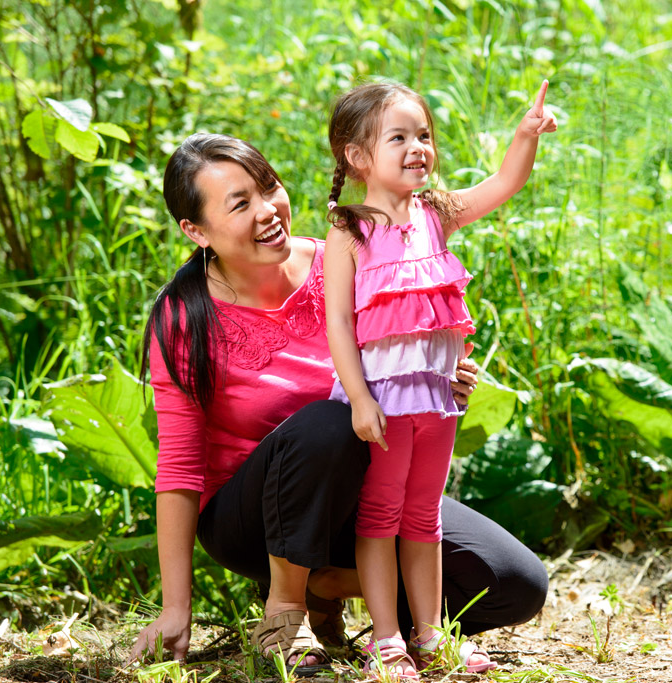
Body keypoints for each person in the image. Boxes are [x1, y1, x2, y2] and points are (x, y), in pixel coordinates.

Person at [128, 133, 549, 672]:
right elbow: (181, 469)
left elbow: (403, 350)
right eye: (240, 203)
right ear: (196, 230)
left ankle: (336, 589)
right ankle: (284, 610)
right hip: (250, 521)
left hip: (365, 492)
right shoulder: (185, 317)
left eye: (268, 187)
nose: (268, 210)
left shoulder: (342, 262)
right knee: (329, 422)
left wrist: (439, 376)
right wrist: (174, 607)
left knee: (513, 582)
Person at [322, 81, 556, 678]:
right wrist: (357, 400)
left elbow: (504, 184)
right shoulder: (348, 231)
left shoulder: (437, 213)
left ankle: (430, 635)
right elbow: (340, 327)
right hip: (382, 402)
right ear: (357, 157)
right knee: (379, 515)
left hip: (436, 398)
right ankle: (385, 639)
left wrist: (524, 136)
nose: (417, 148)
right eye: (397, 137)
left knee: (423, 514)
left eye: (423, 136)